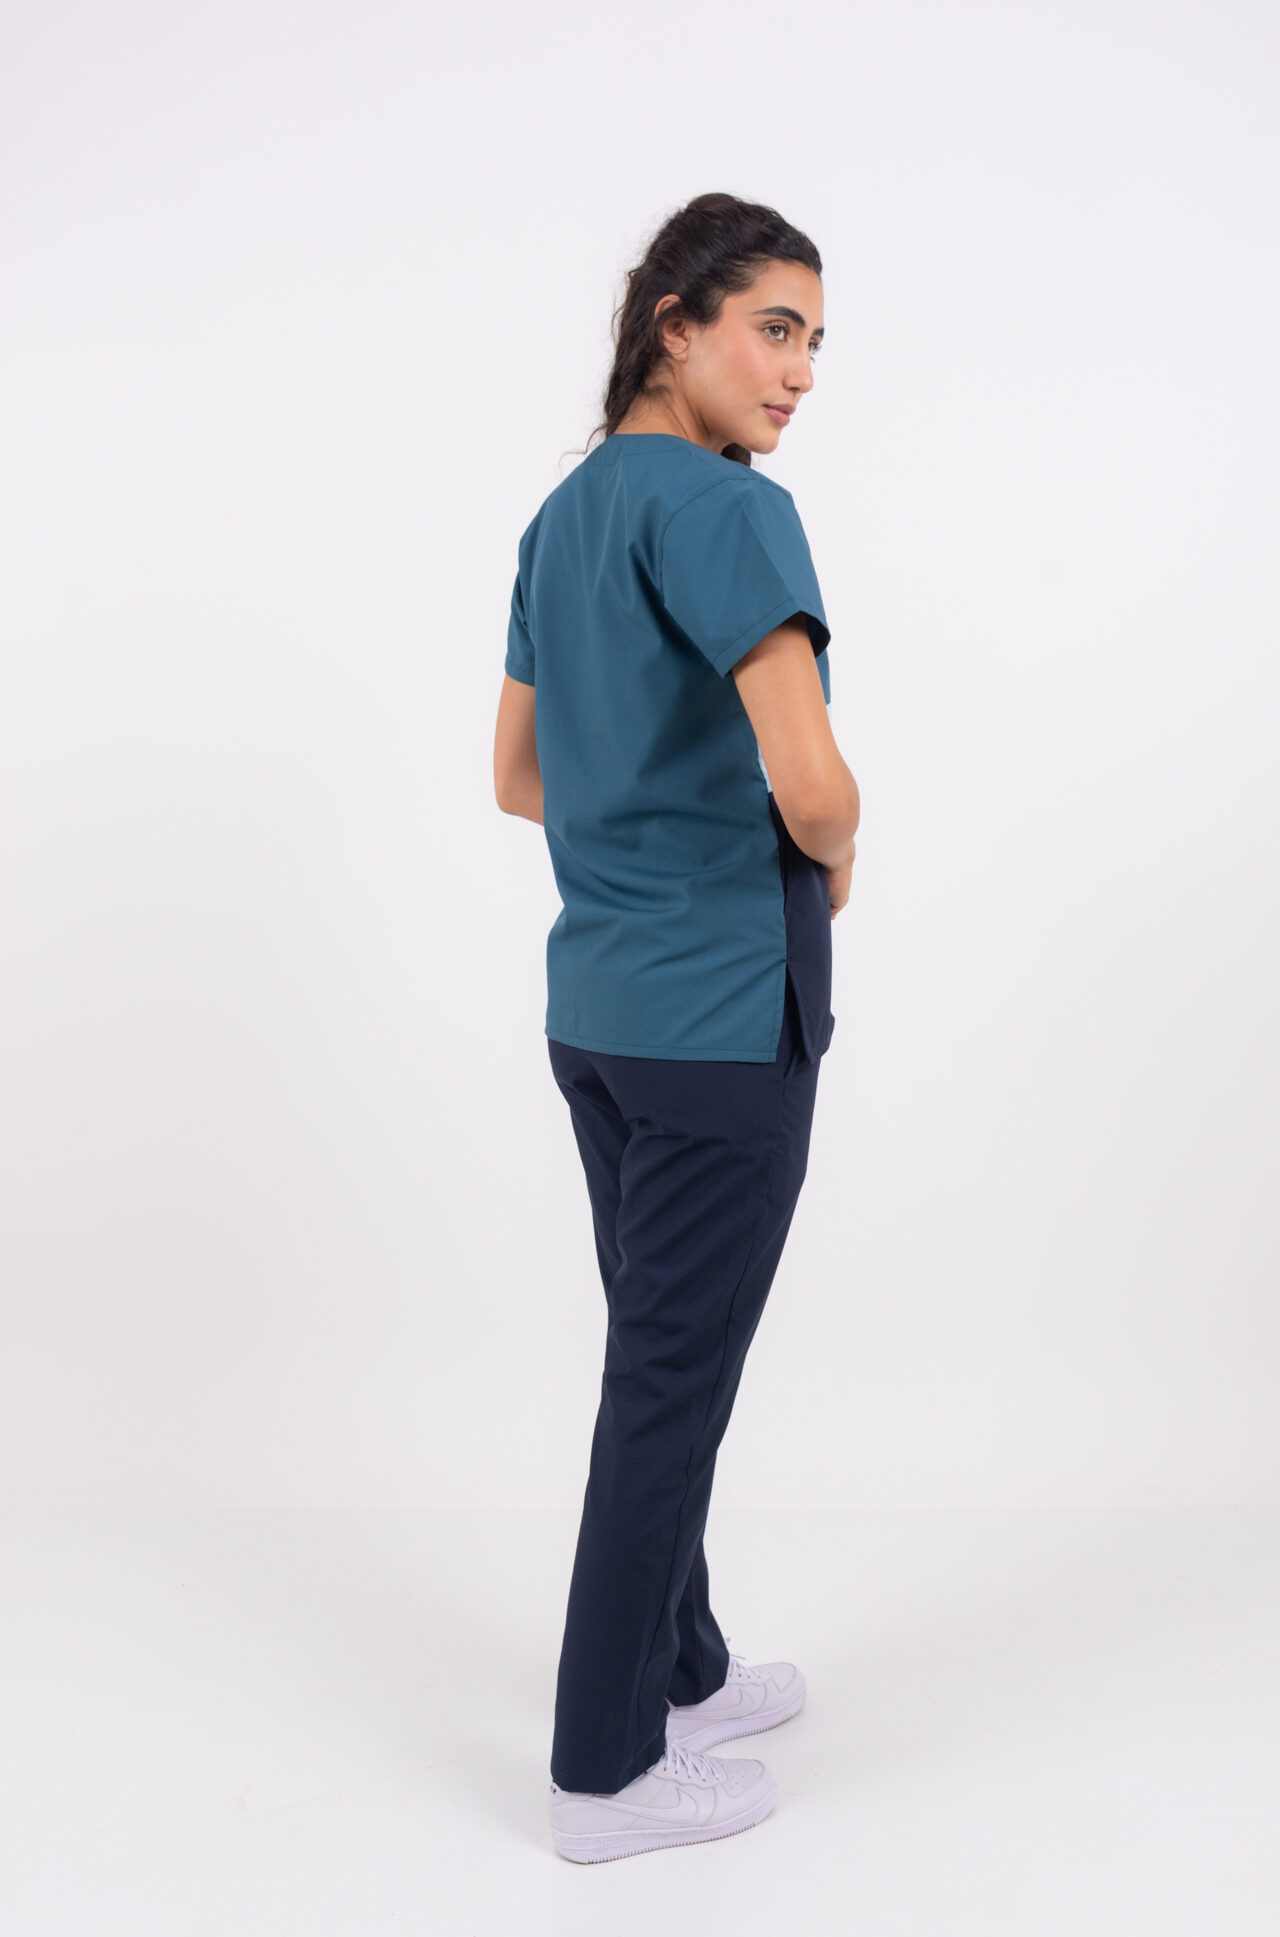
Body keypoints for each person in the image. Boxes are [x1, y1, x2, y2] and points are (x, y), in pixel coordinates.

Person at [493, 191, 860, 1864]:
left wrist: (636, 819)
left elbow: (520, 776)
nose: (799, 372)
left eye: (815, 342)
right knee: (669, 1383)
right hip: (718, 1018)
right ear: (676, 322)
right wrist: (836, 850)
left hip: (600, 1014)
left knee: (664, 1360)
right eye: (774, 327)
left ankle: (684, 1667)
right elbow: (813, 782)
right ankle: (603, 1769)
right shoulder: (727, 509)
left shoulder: (565, 515)